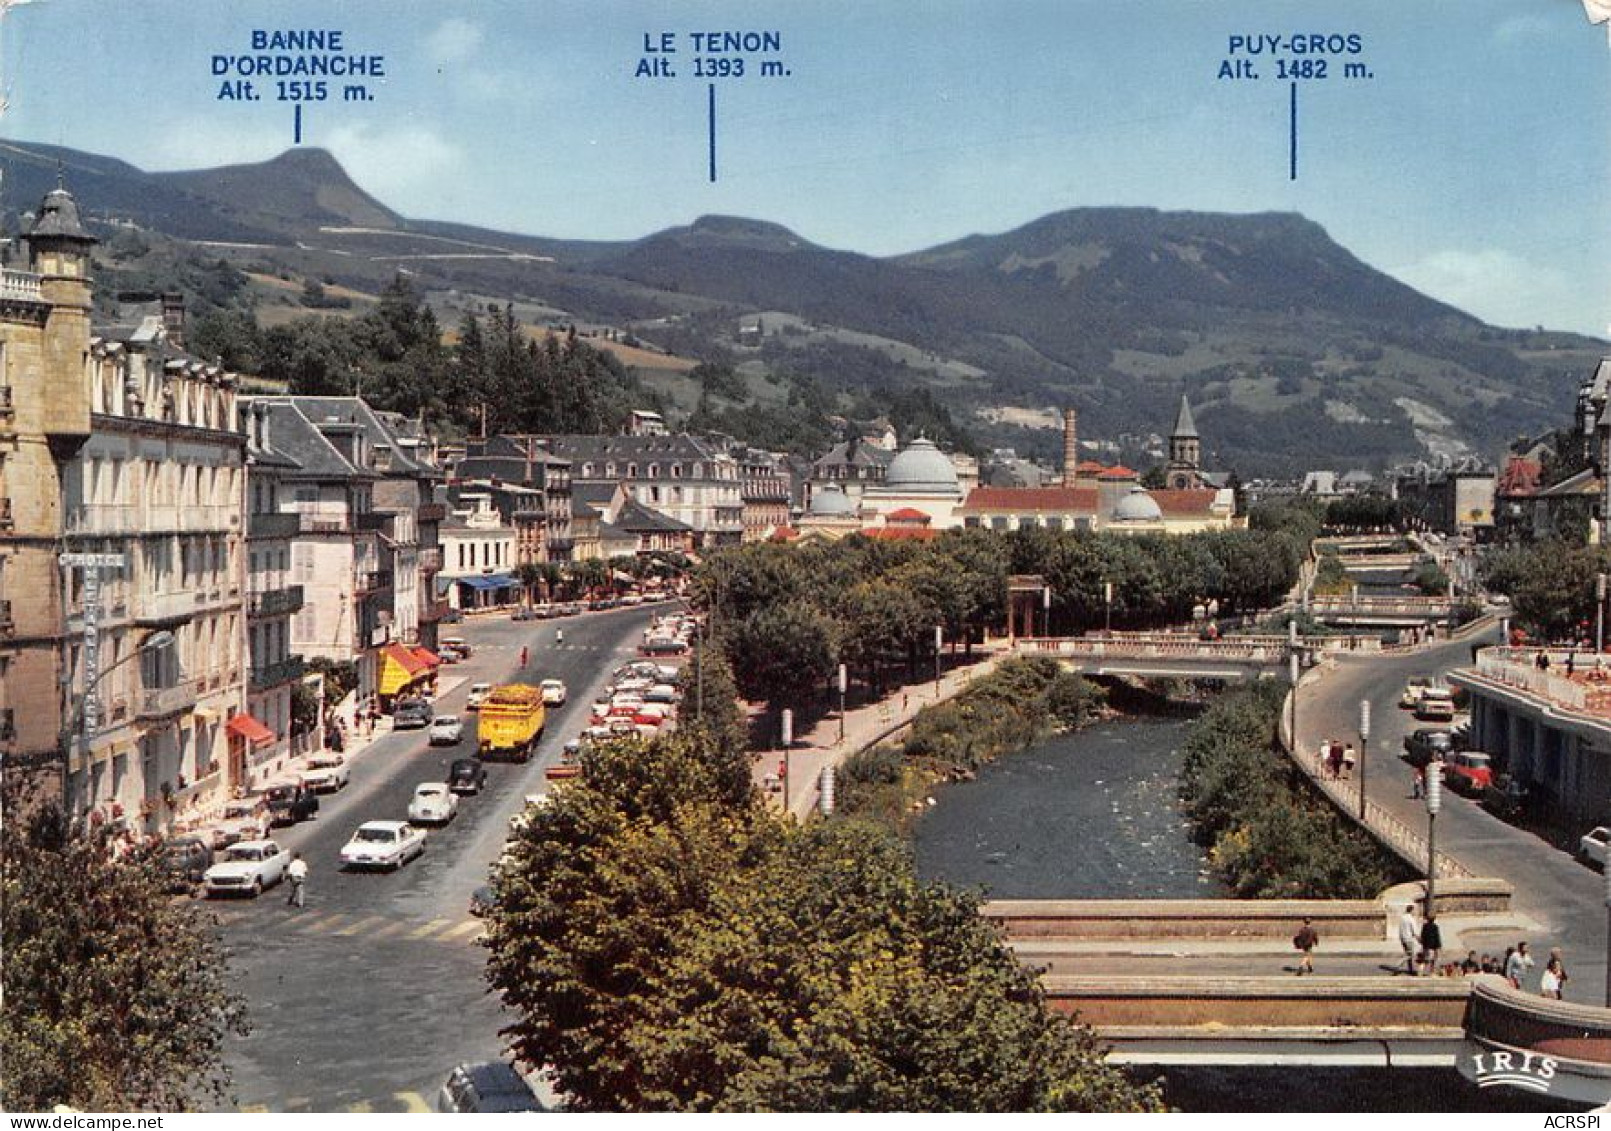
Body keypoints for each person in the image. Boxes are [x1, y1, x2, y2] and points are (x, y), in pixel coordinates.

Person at [1397, 904, 1421, 975]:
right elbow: (1415, 932)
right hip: (1409, 938)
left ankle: (1410, 969)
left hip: (1402, 938)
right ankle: (1398, 965)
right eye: (1414, 910)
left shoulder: (1402, 918)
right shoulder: (1411, 919)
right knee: (1410, 955)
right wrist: (1420, 940)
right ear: (1412, 910)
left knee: (1408, 954)